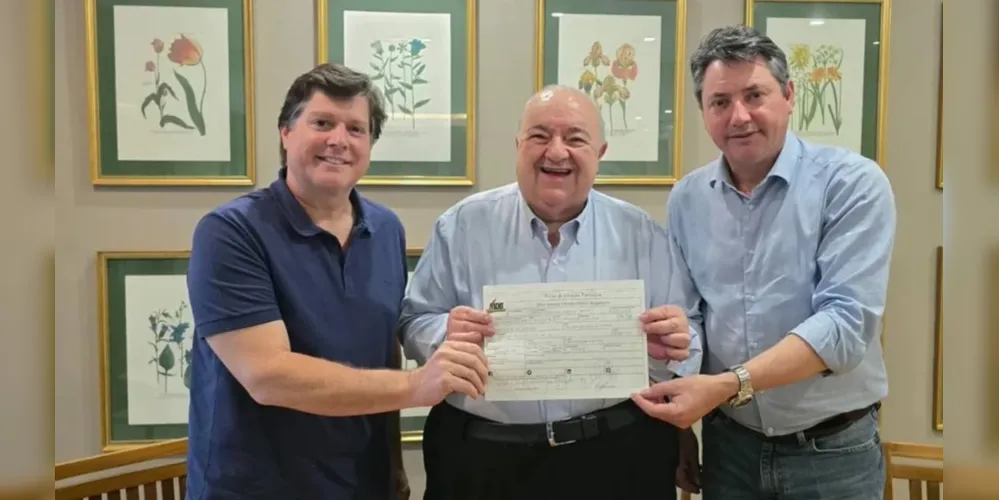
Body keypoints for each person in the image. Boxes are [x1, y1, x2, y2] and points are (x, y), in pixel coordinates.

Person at [184, 63, 490, 500]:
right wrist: (416, 385)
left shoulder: (385, 230)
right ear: (285, 133)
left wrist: (394, 471)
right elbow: (268, 376)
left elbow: (382, 349)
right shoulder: (230, 232)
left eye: (356, 129)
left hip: (365, 485)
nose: (339, 140)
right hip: (256, 488)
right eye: (322, 123)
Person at [631, 25, 896, 499]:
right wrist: (680, 417)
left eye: (755, 95)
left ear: (789, 95)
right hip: (730, 448)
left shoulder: (852, 183)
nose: (739, 116)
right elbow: (692, 320)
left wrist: (728, 385)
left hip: (832, 453)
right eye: (720, 101)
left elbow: (845, 325)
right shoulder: (687, 199)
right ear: (703, 112)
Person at [399, 84, 700, 500]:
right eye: (539, 136)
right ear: (518, 146)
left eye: (575, 139)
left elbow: (689, 339)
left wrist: (676, 345)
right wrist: (444, 336)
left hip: (617, 455)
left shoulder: (641, 234)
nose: (556, 152)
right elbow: (413, 320)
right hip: (483, 459)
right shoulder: (462, 226)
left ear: (600, 152)